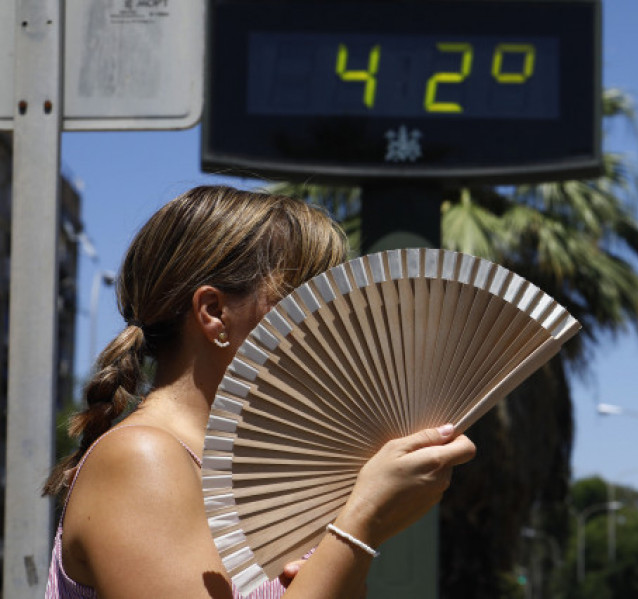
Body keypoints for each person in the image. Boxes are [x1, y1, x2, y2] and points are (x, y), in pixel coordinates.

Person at [43, 185, 476, 598]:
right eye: (306, 300)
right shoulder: (144, 459)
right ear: (214, 313)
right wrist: (363, 521)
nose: (335, 324)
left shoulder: (253, 475)